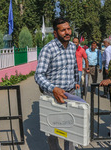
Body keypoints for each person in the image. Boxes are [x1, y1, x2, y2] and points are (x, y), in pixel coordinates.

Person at [34, 17, 79, 150]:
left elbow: (74, 66)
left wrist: (76, 81)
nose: (67, 32)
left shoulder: (72, 47)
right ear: (55, 33)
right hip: (53, 96)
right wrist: (53, 88)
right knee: (54, 130)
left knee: (70, 129)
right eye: (63, 30)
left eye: (68, 29)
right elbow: (38, 75)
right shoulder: (48, 49)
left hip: (70, 94)